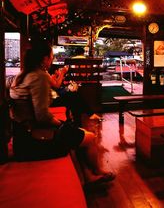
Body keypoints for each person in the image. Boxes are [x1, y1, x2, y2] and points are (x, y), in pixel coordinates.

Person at [9, 40, 115, 184]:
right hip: (32, 142)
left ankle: (88, 176)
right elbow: (42, 116)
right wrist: (61, 124)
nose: (51, 60)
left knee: (76, 128)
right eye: (51, 56)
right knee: (90, 137)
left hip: (21, 137)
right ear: (45, 58)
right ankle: (95, 173)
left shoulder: (21, 75)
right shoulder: (39, 76)